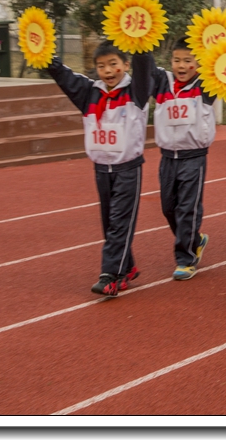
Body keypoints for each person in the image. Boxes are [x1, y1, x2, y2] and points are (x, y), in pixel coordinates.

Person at [46, 41, 153, 296]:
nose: (107, 70)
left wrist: (140, 41)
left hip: (127, 168)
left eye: (113, 64)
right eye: (101, 66)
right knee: (109, 223)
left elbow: (143, 66)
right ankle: (126, 268)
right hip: (101, 169)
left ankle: (109, 275)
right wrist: (47, 58)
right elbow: (65, 77)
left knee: (119, 224)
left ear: (125, 65)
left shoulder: (136, 91)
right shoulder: (89, 92)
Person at [151, 37, 216, 280]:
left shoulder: (205, 85)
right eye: (176, 60)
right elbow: (143, 64)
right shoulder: (161, 82)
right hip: (167, 157)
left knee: (187, 207)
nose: (181, 65)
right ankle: (196, 239)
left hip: (193, 157)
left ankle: (186, 258)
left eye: (188, 60)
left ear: (198, 63)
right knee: (169, 208)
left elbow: (219, 64)